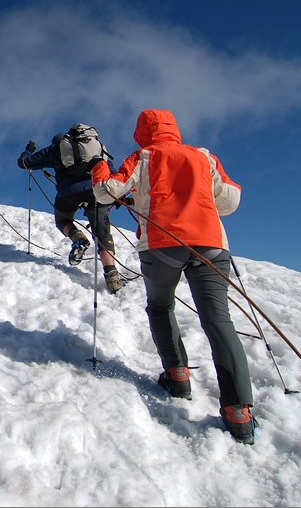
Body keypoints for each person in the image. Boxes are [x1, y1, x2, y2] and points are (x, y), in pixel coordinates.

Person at [90, 109, 255, 445]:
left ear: (142, 132)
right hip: (210, 244)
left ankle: (177, 375)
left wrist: (99, 167)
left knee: (161, 306)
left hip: (162, 245)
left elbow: (107, 191)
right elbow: (230, 199)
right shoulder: (203, 155)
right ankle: (238, 410)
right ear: (174, 129)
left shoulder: (143, 156)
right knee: (218, 320)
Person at [17, 124, 124, 294]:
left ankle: (77, 237)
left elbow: (24, 163)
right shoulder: (97, 148)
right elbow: (110, 171)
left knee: (63, 220)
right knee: (102, 234)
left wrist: (28, 150)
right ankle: (112, 276)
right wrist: (118, 195)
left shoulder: (56, 149)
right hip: (96, 192)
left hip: (69, 194)